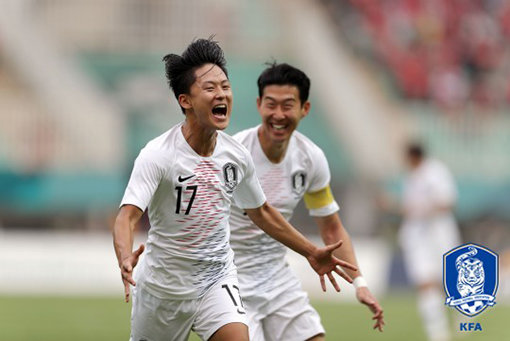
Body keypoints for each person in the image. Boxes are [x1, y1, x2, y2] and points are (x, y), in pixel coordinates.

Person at [112, 38, 356, 341]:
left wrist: (310, 252)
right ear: (185, 100)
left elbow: (263, 212)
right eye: (210, 88)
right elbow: (128, 217)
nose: (222, 94)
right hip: (163, 290)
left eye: (225, 86)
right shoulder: (158, 154)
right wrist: (124, 256)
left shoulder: (235, 155)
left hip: (215, 281)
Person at [229, 62, 384, 341]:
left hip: (277, 278)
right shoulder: (235, 154)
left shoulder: (310, 158)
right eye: (271, 105)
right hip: (231, 280)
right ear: (258, 105)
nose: (278, 114)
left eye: (288, 105)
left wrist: (360, 283)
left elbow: (332, 228)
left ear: (305, 109)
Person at [397, 142, 461, 341]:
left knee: (450, 282)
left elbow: (447, 203)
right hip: (418, 237)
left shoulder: (436, 172)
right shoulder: (410, 178)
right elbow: (410, 208)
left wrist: (422, 209)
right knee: (425, 282)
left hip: (439, 234)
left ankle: (463, 316)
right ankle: (438, 332)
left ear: (413, 156)